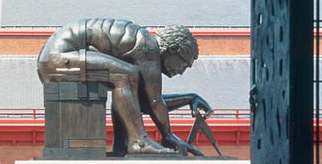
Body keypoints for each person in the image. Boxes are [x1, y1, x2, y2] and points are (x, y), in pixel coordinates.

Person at [37, 18, 211, 155]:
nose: (181, 71)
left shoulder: (142, 43)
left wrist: (189, 98)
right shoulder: (148, 47)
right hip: (58, 59)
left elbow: (141, 103)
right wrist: (168, 135)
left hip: (55, 59)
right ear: (173, 49)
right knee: (125, 75)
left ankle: (124, 143)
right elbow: (154, 101)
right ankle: (138, 142)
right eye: (184, 64)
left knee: (125, 86)